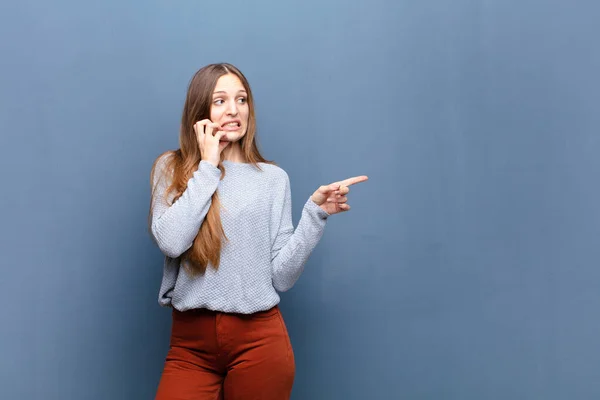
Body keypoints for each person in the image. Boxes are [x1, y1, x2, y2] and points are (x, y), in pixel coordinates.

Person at [149, 63, 368, 400]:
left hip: (258, 340)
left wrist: (314, 216)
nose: (234, 110)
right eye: (220, 101)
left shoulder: (271, 178)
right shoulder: (172, 167)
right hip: (190, 345)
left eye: (241, 99)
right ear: (200, 111)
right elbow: (171, 241)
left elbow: (281, 278)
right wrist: (208, 166)